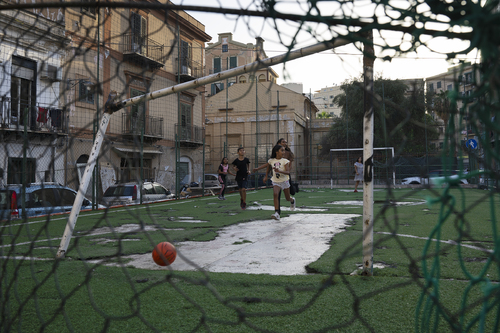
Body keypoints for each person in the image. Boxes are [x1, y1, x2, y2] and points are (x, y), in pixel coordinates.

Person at [263, 144, 295, 220]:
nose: (284, 152)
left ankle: (292, 200)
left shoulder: (285, 161)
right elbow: (266, 166)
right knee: (275, 194)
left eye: (284, 150)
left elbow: (288, 172)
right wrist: (258, 170)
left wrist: (280, 171)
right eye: (282, 150)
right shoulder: (272, 160)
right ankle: (277, 213)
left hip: (284, 181)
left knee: (287, 198)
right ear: (277, 152)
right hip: (276, 181)